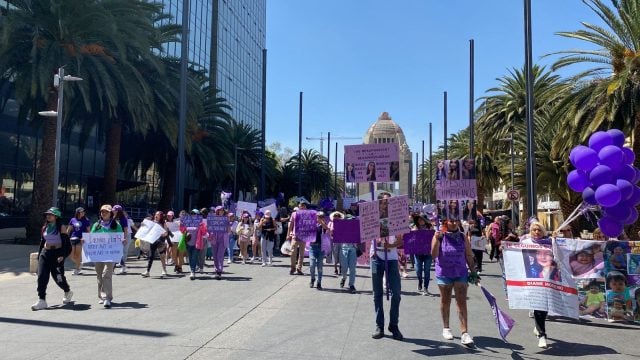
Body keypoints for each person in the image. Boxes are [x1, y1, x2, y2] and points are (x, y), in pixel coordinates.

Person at [431, 219, 477, 346]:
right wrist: (436, 239)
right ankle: (446, 328)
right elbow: (434, 255)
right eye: (451, 220)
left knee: (461, 302)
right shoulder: (440, 235)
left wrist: (473, 271)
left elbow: (468, 255)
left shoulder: (463, 236)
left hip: (460, 272)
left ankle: (465, 333)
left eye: (456, 220)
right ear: (445, 222)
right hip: (444, 273)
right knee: (445, 301)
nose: (454, 223)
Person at [371, 192, 404, 341]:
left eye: (388, 202)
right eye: (383, 202)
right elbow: (365, 235)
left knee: (396, 293)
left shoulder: (397, 219)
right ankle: (380, 325)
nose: (386, 204)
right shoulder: (372, 218)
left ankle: (393, 324)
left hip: (391, 258)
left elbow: (400, 240)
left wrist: (389, 245)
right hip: (376, 258)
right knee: (377, 294)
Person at [31, 207, 73, 310]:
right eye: (47, 214)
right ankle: (42, 300)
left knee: (58, 278)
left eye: (51, 214)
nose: (48, 216)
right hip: (45, 253)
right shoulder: (44, 227)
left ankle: (67, 291)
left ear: (56, 216)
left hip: (57, 254)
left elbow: (65, 244)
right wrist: (39, 255)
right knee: (41, 277)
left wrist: (62, 255)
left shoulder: (61, 228)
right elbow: (42, 243)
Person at [522, 221, 552, 348]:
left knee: (544, 307)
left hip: (547, 277)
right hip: (532, 278)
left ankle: (538, 327)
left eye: (539, 230)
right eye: (534, 229)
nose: (536, 232)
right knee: (538, 306)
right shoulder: (525, 243)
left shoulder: (549, 243)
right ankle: (542, 335)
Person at [90, 204, 125, 308]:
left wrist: (122, 240)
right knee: (99, 276)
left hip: (110, 254)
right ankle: (101, 296)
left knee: (106, 274)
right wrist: (85, 240)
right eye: (102, 212)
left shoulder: (116, 225)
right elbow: (91, 237)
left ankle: (107, 298)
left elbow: (120, 237)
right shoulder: (96, 225)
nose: (104, 213)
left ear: (110, 214)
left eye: (106, 212)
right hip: (99, 254)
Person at [141, 211, 172, 278]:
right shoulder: (152, 222)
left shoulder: (163, 223)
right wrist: (143, 225)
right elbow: (146, 229)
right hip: (153, 241)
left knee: (162, 256)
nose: (156, 216)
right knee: (151, 256)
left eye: (158, 215)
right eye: (155, 214)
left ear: (161, 216)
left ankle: (164, 270)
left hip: (161, 241)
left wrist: (163, 234)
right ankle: (147, 271)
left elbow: (166, 233)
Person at [412, 215, 433, 295]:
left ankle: (425, 287)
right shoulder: (415, 228)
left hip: (428, 252)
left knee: (427, 271)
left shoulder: (430, 228)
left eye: (422, 220)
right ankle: (420, 281)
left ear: (425, 220)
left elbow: (434, 238)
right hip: (418, 253)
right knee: (418, 270)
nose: (420, 221)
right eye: (419, 220)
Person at [287, 199, 309, 275]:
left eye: (303, 206)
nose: (302, 207)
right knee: (292, 252)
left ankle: (299, 268)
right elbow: (291, 224)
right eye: (301, 205)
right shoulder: (294, 214)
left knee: (301, 254)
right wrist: (289, 233)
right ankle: (293, 268)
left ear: (305, 207)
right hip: (295, 236)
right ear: (298, 206)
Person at [67, 207, 90, 275]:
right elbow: (69, 229)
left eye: (83, 212)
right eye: (81, 212)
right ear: (77, 212)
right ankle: (79, 263)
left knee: (78, 254)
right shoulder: (73, 220)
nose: (83, 213)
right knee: (71, 255)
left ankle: (77, 269)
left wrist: (85, 238)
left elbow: (88, 231)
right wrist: (66, 237)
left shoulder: (86, 220)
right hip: (73, 238)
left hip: (81, 239)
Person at [309, 212, 329, 289]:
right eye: (318, 216)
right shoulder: (312, 224)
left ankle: (319, 282)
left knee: (320, 266)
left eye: (322, 216)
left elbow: (326, 228)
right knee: (312, 265)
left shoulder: (324, 224)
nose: (320, 218)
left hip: (321, 248)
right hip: (312, 247)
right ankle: (312, 278)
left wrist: (321, 222)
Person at [209, 206, 229, 279]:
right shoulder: (212, 219)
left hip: (222, 239)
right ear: (217, 211)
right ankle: (217, 270)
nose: (221, 211)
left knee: (219, 255)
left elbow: (229, 230)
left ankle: (219, 271)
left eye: (222, 210)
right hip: (214, 238)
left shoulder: (226, 219)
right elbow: (209, 228)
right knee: (215, 255)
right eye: (220, 210)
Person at [112, 205, 130, 274]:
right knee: (116, 253)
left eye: (114, 210)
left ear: (118, 211)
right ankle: (123, 266)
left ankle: (113, 269)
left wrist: (124, 239)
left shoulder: (123, 219)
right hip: (114, 237)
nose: (113, 211)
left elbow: (125, 230)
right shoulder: (113, 218)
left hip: (121, 237)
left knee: (117, 253)